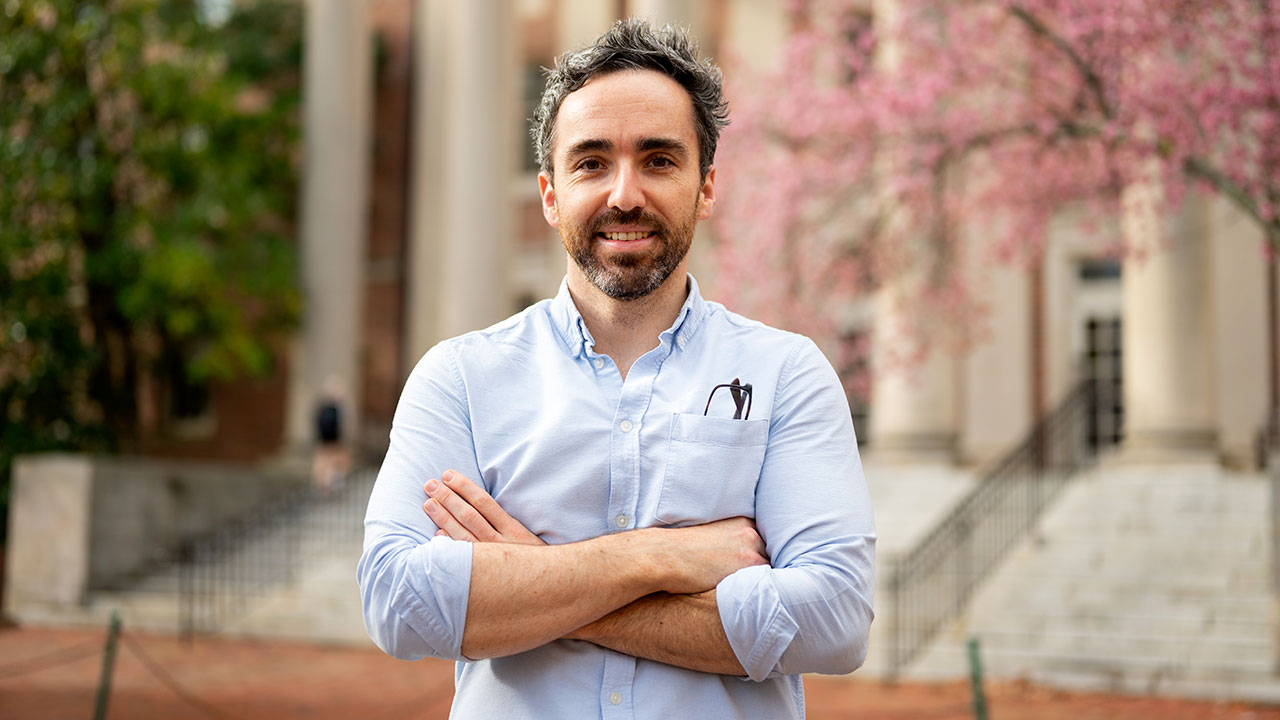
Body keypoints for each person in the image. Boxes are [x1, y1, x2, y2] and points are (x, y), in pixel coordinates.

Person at [358, 19, 875, 719]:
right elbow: (398, 603)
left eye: (658, 160)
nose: (624, 194)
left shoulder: (786, 374)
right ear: (549, 194)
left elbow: (835, 619)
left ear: (707, 185)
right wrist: (655, 560)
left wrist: (531, 580)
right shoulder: (460, 378)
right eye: (591, 162)